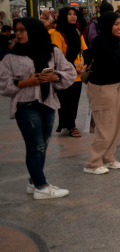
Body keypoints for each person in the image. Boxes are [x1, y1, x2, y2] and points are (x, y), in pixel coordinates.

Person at [0, 17, 76, 199]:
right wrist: (27, 82)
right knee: (35, 146)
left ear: (33, 31)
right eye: (16, 30)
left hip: (47, 102)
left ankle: (34, 182)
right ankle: (42, 187)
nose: (17, 34)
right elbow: (4, 82)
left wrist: (54, 77)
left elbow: (69, 71)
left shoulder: (51, 51)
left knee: (42, 146)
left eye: (21, 30)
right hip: (26, 105)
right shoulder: (11, 57)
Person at [84, 12, 120, 175]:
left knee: (114, 124)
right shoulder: (101, 43)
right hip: (102, 87)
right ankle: (92, 162)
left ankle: (107, 157)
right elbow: (116, 65)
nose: (119, 27)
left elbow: (119, 63)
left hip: (114, 85)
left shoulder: (114, 41)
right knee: (105, 126)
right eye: (115, 24)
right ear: (106, 25)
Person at [51, 7, 87, 137]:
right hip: (64, 74)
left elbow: (85, 50)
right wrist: (73, 68)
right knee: (65, 101)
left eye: (74, 14)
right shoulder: (57, 34)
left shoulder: (77, 32)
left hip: (78, 75)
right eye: (69, 14)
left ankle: (70, 123)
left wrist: (85, 65)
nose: (73, 17)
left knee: (74, 101)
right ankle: (71, 125)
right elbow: (58, 56)